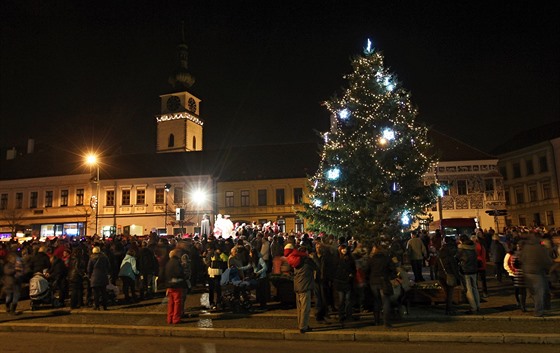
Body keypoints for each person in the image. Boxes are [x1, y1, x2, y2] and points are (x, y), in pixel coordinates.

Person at [520, 232, 553, 317]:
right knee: (540, 292)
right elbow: (546, 260)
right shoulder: (540, 248)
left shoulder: (526, 247)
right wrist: (549, 267)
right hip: (537, 272)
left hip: (527, 272)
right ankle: (539, 310)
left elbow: (522, 259)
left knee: (534, 292)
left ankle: (541, 307)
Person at [367, 241, 396, 328]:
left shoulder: (371, 259)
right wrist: (390, 276)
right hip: (384, 281)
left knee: (376, 301)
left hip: (373, 282)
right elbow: (393, 269)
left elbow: (367, 270)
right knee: (385, 301)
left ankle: (376, 321)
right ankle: (386, 322)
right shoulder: (386, 259)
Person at [293, 245, 318, 333]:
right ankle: (303, 327)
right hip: (305, 287)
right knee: (305, 308)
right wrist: (311, 257)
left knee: (299, 308)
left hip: (297, 287)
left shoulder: (297, 261)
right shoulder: (307, 261)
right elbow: (316, 266)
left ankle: (300, 324)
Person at [457, 234, 480, 314]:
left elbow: (457, 258)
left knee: (468, 289)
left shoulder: (461, 249)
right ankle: (478, 305)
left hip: (465, 270)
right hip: (474, 269)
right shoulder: (473, 247)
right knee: (475, 288)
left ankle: (473, 307)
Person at [333, 244, 356, 325]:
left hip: (348, 282)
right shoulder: (337, 259)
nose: (344, 250)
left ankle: (348, 315)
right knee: (341, 300)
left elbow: (354, 269)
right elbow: (334, 271)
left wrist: (351, 274)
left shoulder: (350, 259)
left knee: (348, 300)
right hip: (340, 282)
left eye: (345, 249)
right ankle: (341, 315)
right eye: (343, 249)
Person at [437, 236, 460, 315]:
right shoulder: (450, 256)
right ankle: (449, 309)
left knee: (446, 292)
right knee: (450, 293)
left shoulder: (439, 255)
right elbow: (454, 268)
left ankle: (448, 307)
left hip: (441, 276)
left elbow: (435, 267)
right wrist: (457, 277)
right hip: (449, 275)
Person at [165, 249, 186, 324]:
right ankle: (176, 319)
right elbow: (179, 273)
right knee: (177, 302)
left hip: (169, 284)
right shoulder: (176, 262)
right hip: (176, 284)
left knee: (171, 303)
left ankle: (169, 318)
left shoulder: (168, 262)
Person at [504, 242, 526, 312]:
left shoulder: (516, 255)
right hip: (516, 273)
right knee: (519, 289)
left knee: (520, 289)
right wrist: (511, 271)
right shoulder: (511, 254)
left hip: (518, 273)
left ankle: (521, 304)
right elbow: (507, 264)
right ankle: (520, 303)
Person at [87, 246, 111, 311]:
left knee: (95, 293)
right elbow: (108, 266)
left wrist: (89, 276)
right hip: (103, 276)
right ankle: (105, 306)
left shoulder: (91, 258)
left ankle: (97, 306)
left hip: (95, 276)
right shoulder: (105, 257)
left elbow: (89, 269)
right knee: (104, 292)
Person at [2, 250, 24, 315]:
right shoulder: (7, 265)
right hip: (10, 282)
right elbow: (7, 272)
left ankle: (13, 310)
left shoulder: (17, 264)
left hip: (16, 282)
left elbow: (21, 271)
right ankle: (7, 306)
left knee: (16, 296)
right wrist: (15, 270)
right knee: (9, 296)